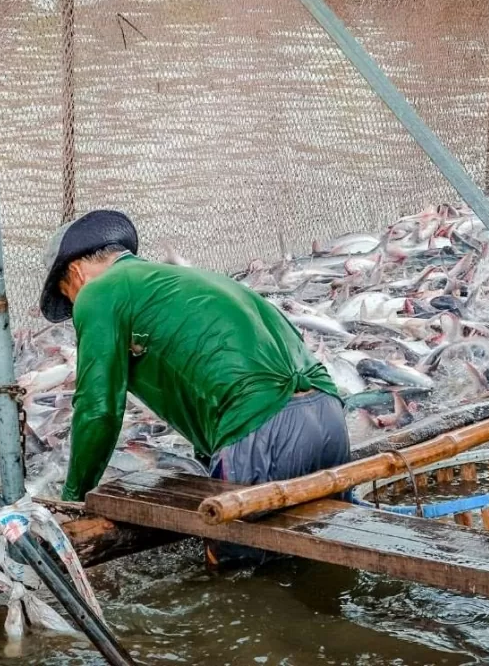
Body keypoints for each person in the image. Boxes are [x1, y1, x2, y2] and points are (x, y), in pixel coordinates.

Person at [41, 210, 349, 544]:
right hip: (329, 415)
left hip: (262, 424)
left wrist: (73, 499)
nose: (74, 307)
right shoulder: (185, 280)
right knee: (319, 543)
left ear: (75, 273)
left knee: (237, 571)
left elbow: (99, 409)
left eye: (67, 295)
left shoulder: (97, 291)